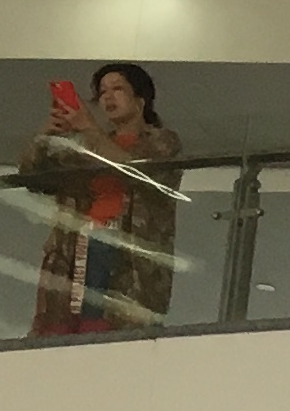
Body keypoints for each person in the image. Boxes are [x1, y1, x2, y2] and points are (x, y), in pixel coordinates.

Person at [21, 63, 184, 335]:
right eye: (103, 92)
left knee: (109, 331)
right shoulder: (86, 146)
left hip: (127, 259)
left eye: (117, 89)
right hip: (76, 248)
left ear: (140, 99)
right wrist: (44, 135)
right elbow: (33, 177)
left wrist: (90, 128)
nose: (108, 97)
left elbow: (136, 172)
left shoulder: (163, 141)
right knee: (62, 330)